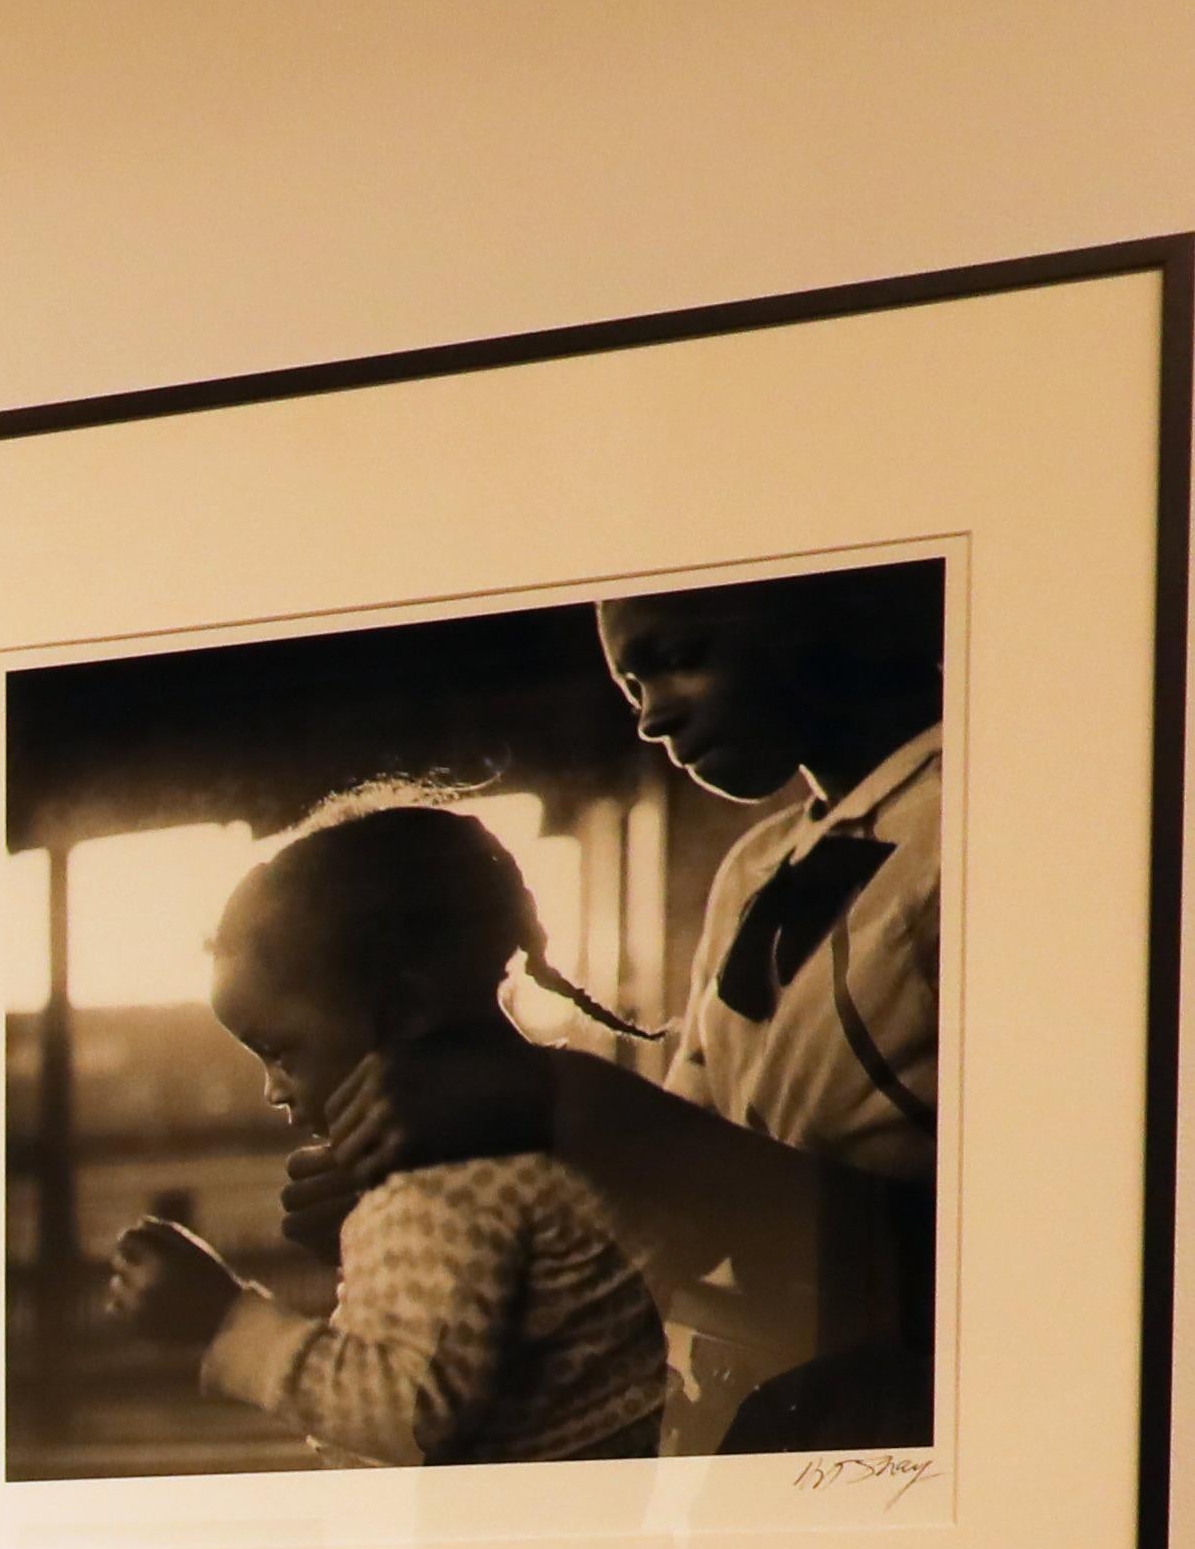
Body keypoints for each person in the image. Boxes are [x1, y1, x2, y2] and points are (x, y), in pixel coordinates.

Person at [286, 566, 943, 1448]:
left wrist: (557, 1101)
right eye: (633, 686)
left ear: (813, 604)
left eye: (677, 659)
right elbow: (684, 1222)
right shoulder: (758, 868)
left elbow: (1004, 1245)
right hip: (780, 1417)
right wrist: (438, 1229)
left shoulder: (977, 816)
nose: (650, 716)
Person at [102, 805, 669, 1469]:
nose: (273, 1090)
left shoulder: (443, 1181)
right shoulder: (520, 1151)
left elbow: (408, 1419)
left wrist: (225, 1324)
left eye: (281, 1052)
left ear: (406, 1009)